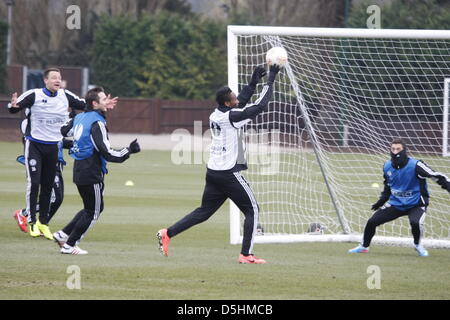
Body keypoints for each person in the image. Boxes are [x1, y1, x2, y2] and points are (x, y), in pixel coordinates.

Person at [157, 65, 280, 264]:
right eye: (233, 97)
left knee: (204, 212)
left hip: (214, 172)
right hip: (228, 173)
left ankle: (167, 233)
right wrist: (270, 80)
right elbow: (258, 107)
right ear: (227, 102)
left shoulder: (217, 114)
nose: (237, 98)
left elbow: (242, 102)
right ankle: (246, 255)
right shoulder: (231, 117)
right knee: (252, 210)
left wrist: (252, 83)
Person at [7, 68, 104, 240]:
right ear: (45, 80)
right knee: (34, 183)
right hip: (34, 145)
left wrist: (102, 105)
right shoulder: (34, 94)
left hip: (53, 148)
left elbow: (87, 105)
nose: (57, 80)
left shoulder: (65, 96)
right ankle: (30, 220)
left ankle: (43, 223)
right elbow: (15, 107)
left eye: (59, 77)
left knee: (47, 187)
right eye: (53, 78)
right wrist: (13, 106)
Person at [54, 87, 140, 255]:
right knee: (94, 210)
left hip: (80, 169)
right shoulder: (97, 123)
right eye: (103, 99)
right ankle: (70, 245)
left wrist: (72, 117)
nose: (106, 101)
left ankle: (62, 234)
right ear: (94, 103)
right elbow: (107, 152)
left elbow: (64, 131)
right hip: (90, 171)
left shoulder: (81, 117)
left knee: (89, 208)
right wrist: (129, 150)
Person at [349, 139, 450, 256]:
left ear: (404, 151)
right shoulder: (387, 166)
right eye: (393, 149)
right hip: (396, 203)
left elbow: (437, 176)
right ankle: (364, 246)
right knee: (372, 221)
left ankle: (418, 245)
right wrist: (381, 201)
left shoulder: (416, 165)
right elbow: (388, 186)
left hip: (416, 204)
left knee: (415, 223)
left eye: (398, 149)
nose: (395, 152)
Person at [13, 117, 73, 234]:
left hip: (56, 163)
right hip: (44, 164)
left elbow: (60, 140)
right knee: (55, 198)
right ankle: (24, 214)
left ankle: (41, 223)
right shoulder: (29, 122)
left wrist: (72, 143)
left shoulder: (52, 119)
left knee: (58, 199)